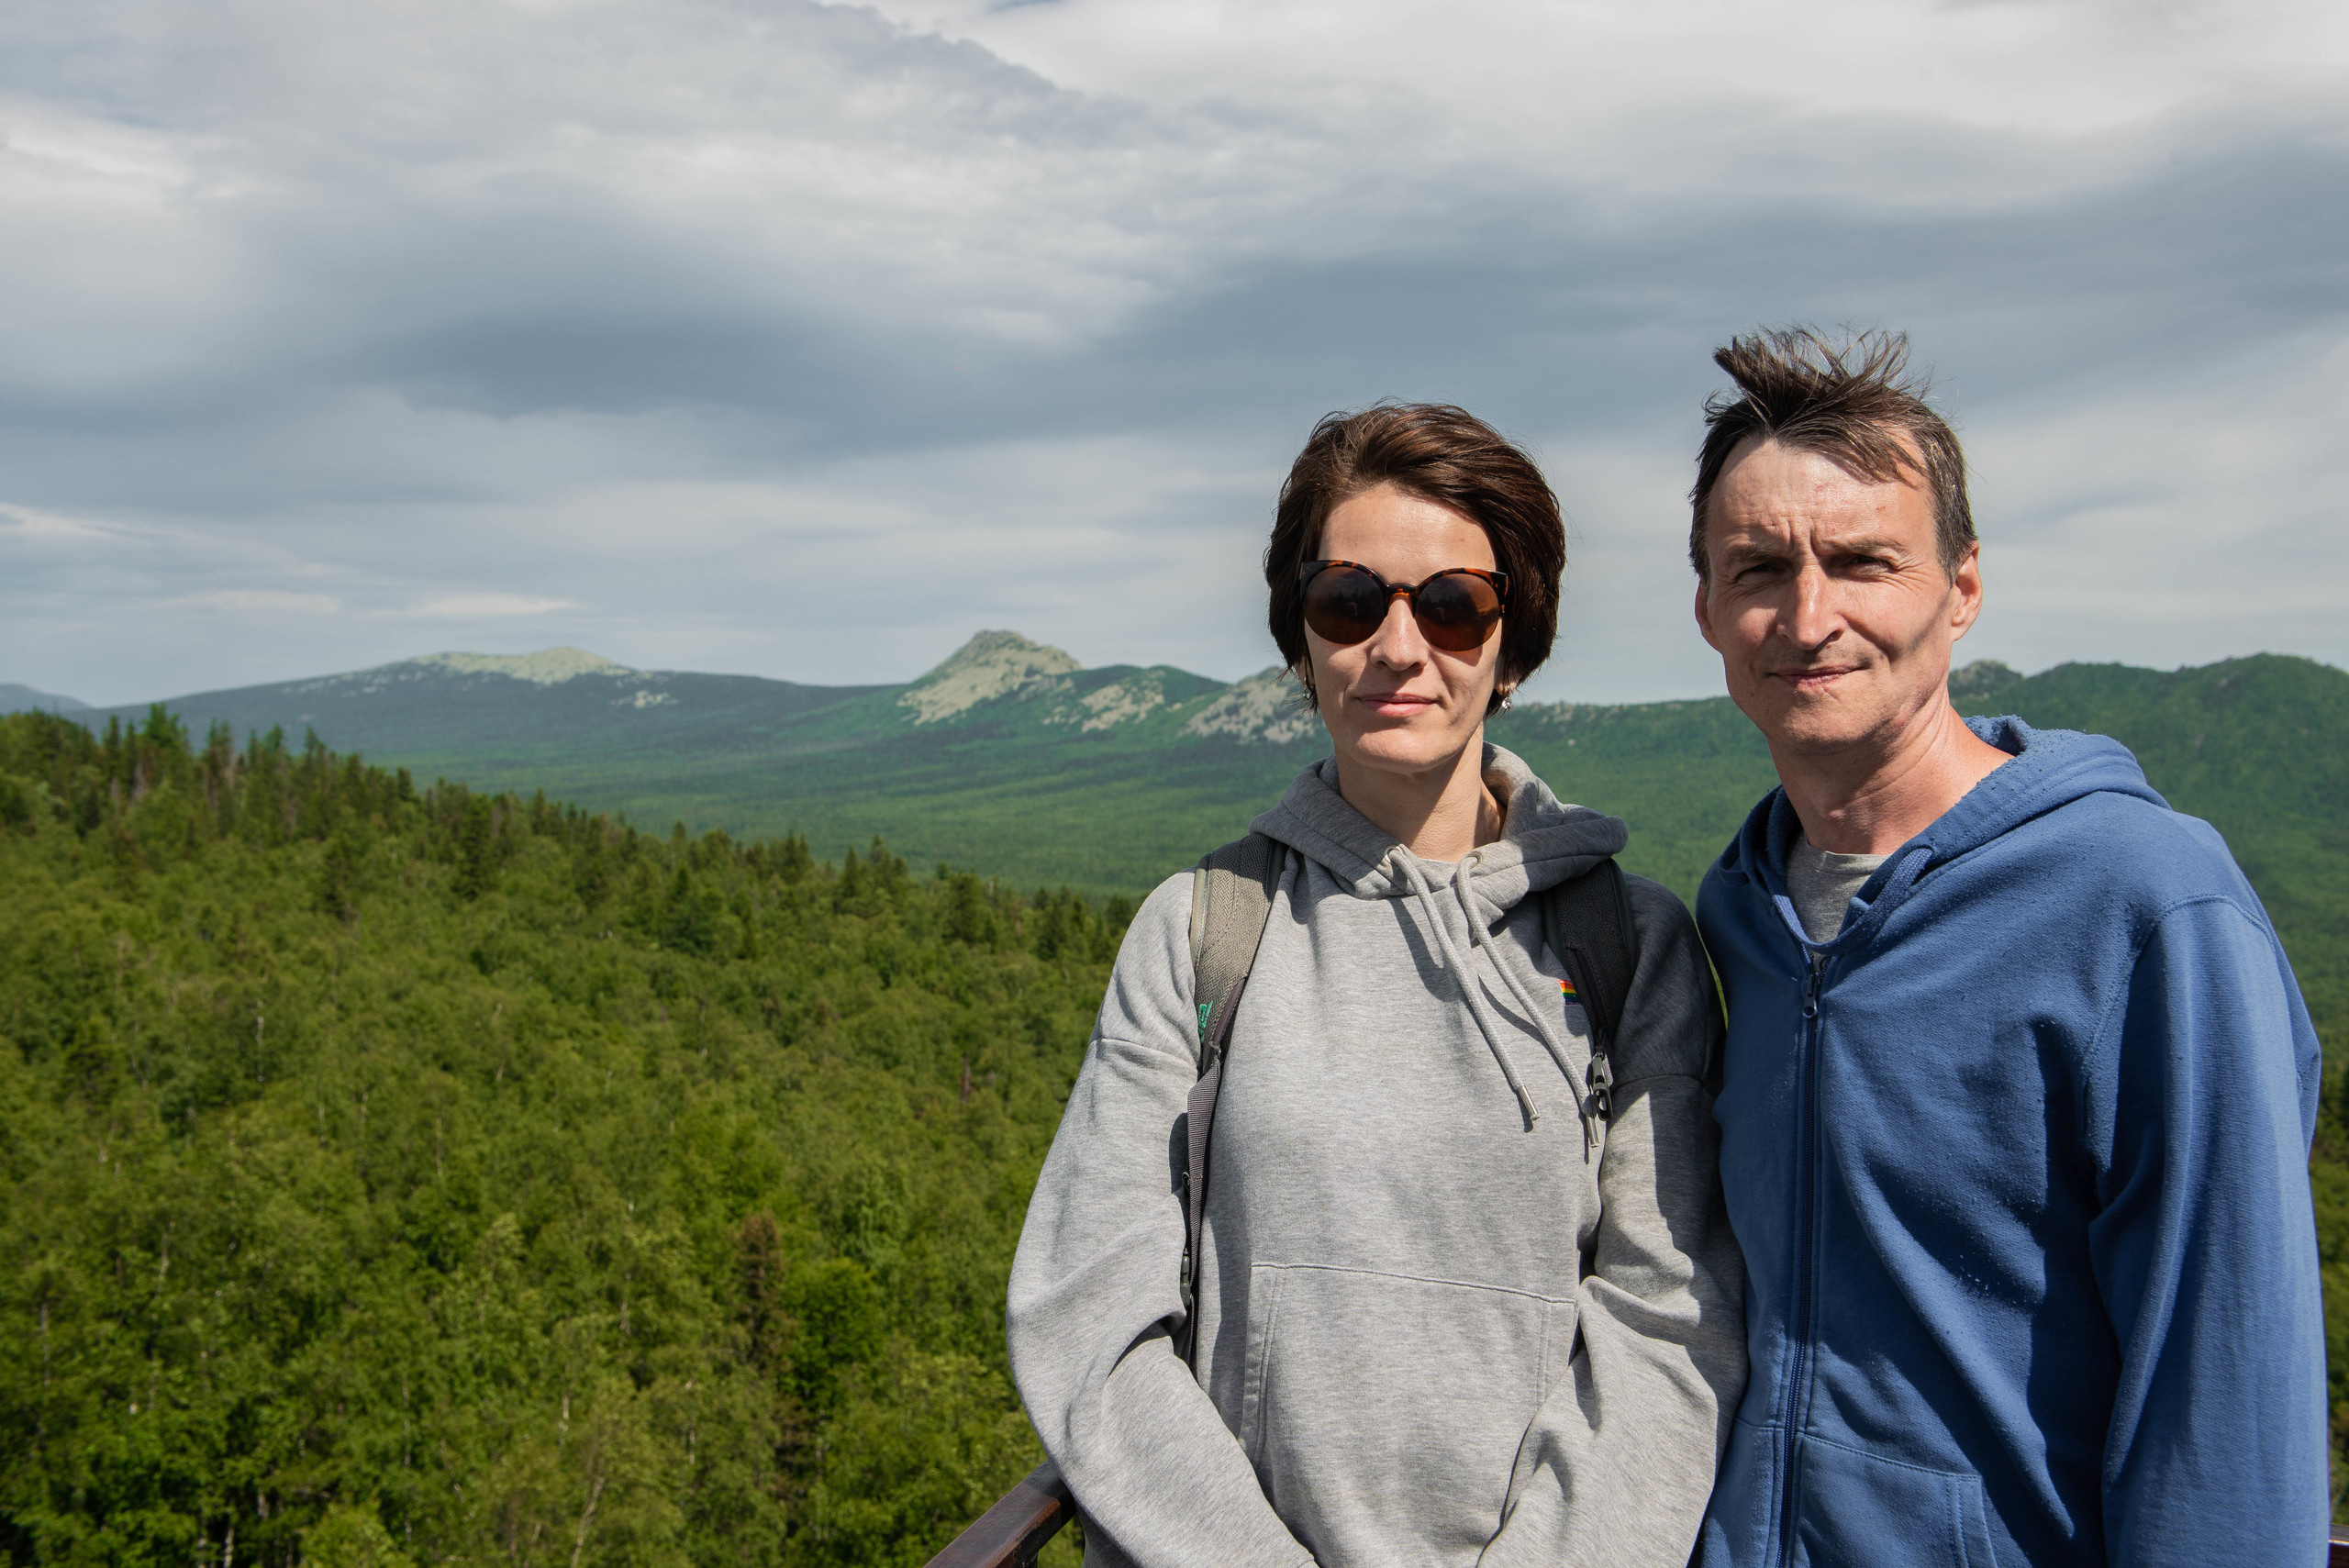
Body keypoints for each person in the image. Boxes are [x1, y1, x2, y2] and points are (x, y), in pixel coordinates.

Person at [1007, 403, 1747, 1566]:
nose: (1399, 646)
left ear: (1514, 642)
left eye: (1454, 605)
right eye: (1351, 600)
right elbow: (1089, 1314)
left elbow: (1668, 1319)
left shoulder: (1627, 941)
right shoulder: (1200, 931)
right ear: (1302, 639)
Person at [1685, 329, 2328, 1566]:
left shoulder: (2145, 904)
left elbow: (2230, 1381)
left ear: (1962, 588)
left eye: (1863, 561)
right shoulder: (1742, 914)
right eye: (1759, 567)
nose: (1808, 615)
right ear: (1708, 606)